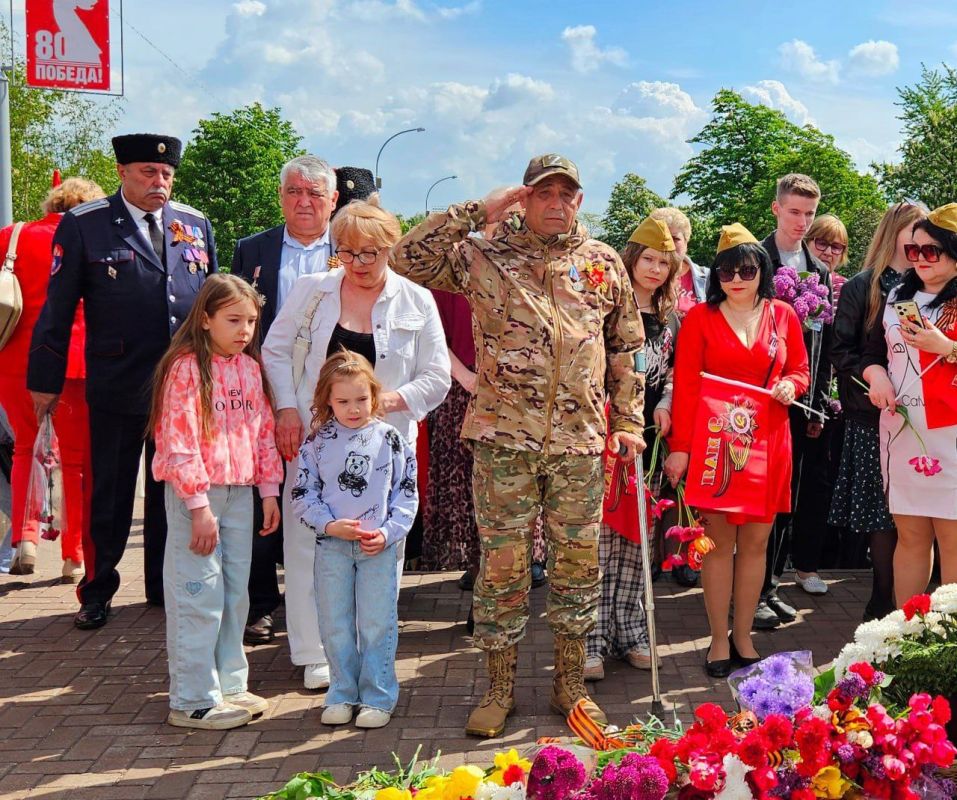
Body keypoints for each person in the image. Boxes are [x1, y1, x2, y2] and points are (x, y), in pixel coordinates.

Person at [391, 153, 646, 736]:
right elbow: (407, 257)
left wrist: (628, 420)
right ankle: (499, 686)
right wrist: (480, 209)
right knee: (503, 567)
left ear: (580, 200)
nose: (557, 204)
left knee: (577, 566)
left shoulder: (603, 263)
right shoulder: (483, 254)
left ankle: (571, 685)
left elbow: (625, 350)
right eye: (544, 193)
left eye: (567, 194)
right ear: (525, 197)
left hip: (580, 440)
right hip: (505, 437)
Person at [28, 133, 217, 629]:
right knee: (109, 492)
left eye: (167, 175)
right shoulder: (86, 224)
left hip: (181, 387)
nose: (160, 183)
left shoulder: (193, 224)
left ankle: (160, 585)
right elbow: (58, 307)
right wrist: (44, 379)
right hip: (117, 379)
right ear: (122, 172)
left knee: (172, 490)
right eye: (148, 173)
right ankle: (98, 589)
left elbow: (213, 307)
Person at [262, 197, 449, 691]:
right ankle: (314, 652)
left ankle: (371, 654)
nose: (358, 264)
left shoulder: (415, 299)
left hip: (385, 451)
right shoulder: (313, 291)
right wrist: (285, 406)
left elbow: (438, 376)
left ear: (390, 248)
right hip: (316, 442)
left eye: (370, 253)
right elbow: (276, 349)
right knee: (310, 546)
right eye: (347, 252)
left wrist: (388, 401)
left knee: (378, 549)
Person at [664, 223, 810, 677]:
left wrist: (790, 383)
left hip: (769, 442)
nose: (736, 279)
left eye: (746, 269)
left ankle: (743, 635)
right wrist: (680, 449)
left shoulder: (784, 314)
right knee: (718, 543)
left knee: (756, 544)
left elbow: (803, 371)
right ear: (717, 277)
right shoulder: (699, 319)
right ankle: (716, 639)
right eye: (727, 271)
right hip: (715, 448)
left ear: (762, 270)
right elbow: (686, 387)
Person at [150, 274, 281, 730]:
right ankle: (191, 699)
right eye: (233, 320)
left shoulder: (249, 368)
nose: (244, 329)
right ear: (205, 319)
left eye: (251, 320)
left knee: (233, 594)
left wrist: (268, 491)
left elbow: (263, 433)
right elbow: (178, 439)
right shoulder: (186, 368)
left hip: (240, 494)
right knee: (197, 594)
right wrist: (198, 507)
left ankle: (230, 684)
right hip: (198, 500)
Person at [232, 155, 343, 648]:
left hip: (333, 399)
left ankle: (328, 604)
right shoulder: (251, 250)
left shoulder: (350, 249)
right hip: (264, 395)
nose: (304, 202)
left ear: (333, 201)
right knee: (264, 496)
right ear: (281, 197)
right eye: (295, 191)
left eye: (315, 193)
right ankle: (262, 605)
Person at [291, 350, 417, 729]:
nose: (353, 408)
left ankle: (378, 696)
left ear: (374, 396)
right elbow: (302, 494)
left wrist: (388, 532)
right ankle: (342, 693)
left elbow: (406, 493)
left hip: (376, 547)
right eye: (343, 401)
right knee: (335, 622)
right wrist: (329, 525)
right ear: (327, 400)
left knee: (378, 621)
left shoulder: (390, 439)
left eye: (361, 399)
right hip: (331, 547)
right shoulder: (316, 442)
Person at [585, 217, 679, 681]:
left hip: (648, 440)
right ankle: (592, 639)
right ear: (631, 259)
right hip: (604, 436)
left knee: (636, 538)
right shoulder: (604, 309)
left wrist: (665, 402)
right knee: (600, 541)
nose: (656, 269)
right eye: (648, 259)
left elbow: (675, 373)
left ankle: (632, 630)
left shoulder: (669, 319)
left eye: (665, 262)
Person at [0, 177, 104, 580]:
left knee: (25, 447)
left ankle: (24, 540)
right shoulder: (89, 236)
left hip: (15, 363)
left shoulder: (13, 235)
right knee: (75, 462)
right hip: (72, 361)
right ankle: (73, 553)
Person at [830, 202, 925, 620]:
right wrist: (872, 376)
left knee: (919, 514)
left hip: (927, 421)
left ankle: (911, 603)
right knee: (882, 514)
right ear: (894, 232)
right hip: (873, 418)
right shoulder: (862, 287)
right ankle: (881, 598)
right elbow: (841, 351)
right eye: (913, 231)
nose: (920, 241)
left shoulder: (934, 286)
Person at [862, 203, 957, 602]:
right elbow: (872, 354)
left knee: (953, 541)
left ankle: (949, 646)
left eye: (930, 251)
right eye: (913, 250)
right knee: (912, 536)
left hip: (951, 434)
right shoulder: (899, 295)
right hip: (904, 431)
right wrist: (876, 375)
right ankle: (906, 635)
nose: (918, 259)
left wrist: (948, 346)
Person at [755, 173, 831, 629]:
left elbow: (819, 347)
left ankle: (771, 585)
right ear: (776, 209)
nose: (803, 222)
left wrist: (817, 402)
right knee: (757, 503)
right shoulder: (751, 259)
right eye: (795, 211)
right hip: (755, 403)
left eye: (810, 213)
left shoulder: (818, 271)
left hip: (800, 403)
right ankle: (750, 590)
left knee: (788, 499)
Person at [649, 206, 704, 587]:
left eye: (676, 240)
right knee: (654, 476)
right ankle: (653, 556)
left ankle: (685, 556)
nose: (670, 248)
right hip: (654, 387)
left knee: (686, 479)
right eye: (662, 240)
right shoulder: (647, 275)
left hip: (693, 389)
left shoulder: (705, 279)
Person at [650, 207, 707, 316]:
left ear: (686, 242)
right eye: (663, 238)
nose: (669, 244)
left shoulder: (709, 278)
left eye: (675, 239)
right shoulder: (641, 278)